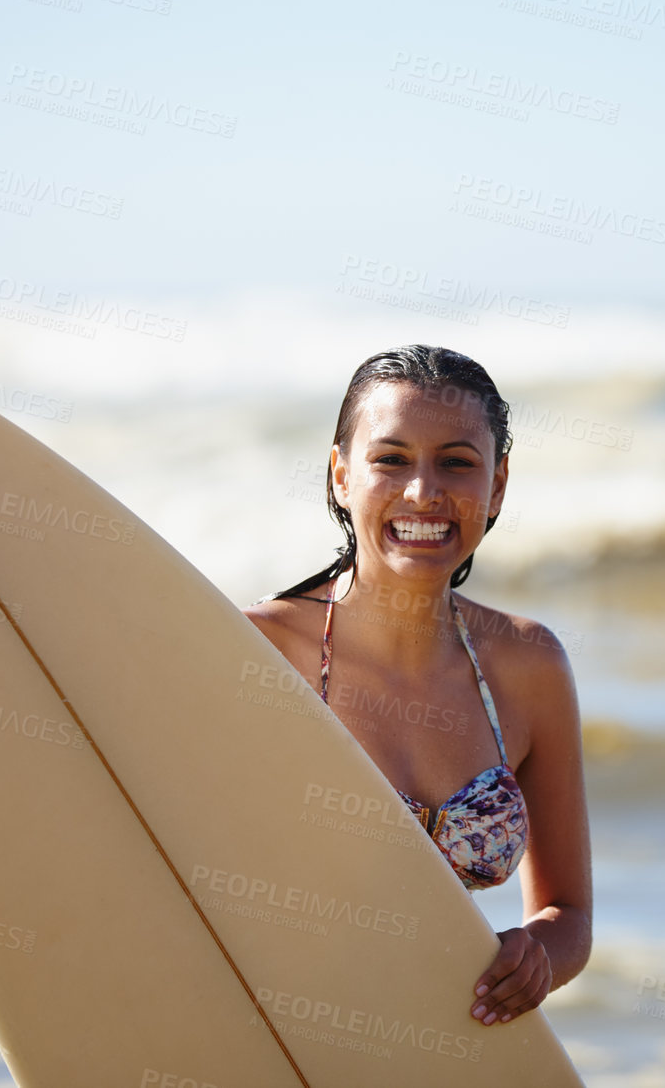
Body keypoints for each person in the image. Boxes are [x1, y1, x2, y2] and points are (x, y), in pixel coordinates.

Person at [244, 345, 592, 1029]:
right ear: (341, 474)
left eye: (458, 463)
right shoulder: (256, 652)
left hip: (441, 1042)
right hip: (279, 1037)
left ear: (496, 486)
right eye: (391, 459)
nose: (423, 493)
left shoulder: (528, 665)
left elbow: (570, 916)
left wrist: (535, 954)